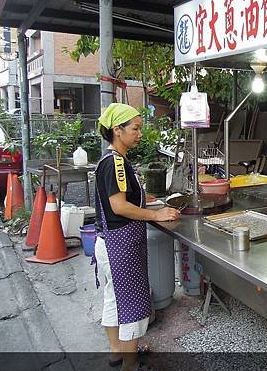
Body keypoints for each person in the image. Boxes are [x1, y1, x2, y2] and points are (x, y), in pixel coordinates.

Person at [93, 103, 180, 371]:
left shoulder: (108, 160)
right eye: (135, 128)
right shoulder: (117, 163)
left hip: (107, 242)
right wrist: (156, 215)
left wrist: (143, 199)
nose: (139, 134)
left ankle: (117, 350)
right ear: (117, 131)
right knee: (130, 303)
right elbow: (119, 206)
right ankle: (131, 365)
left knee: (114, 298)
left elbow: (117, 199)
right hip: (121, 244)